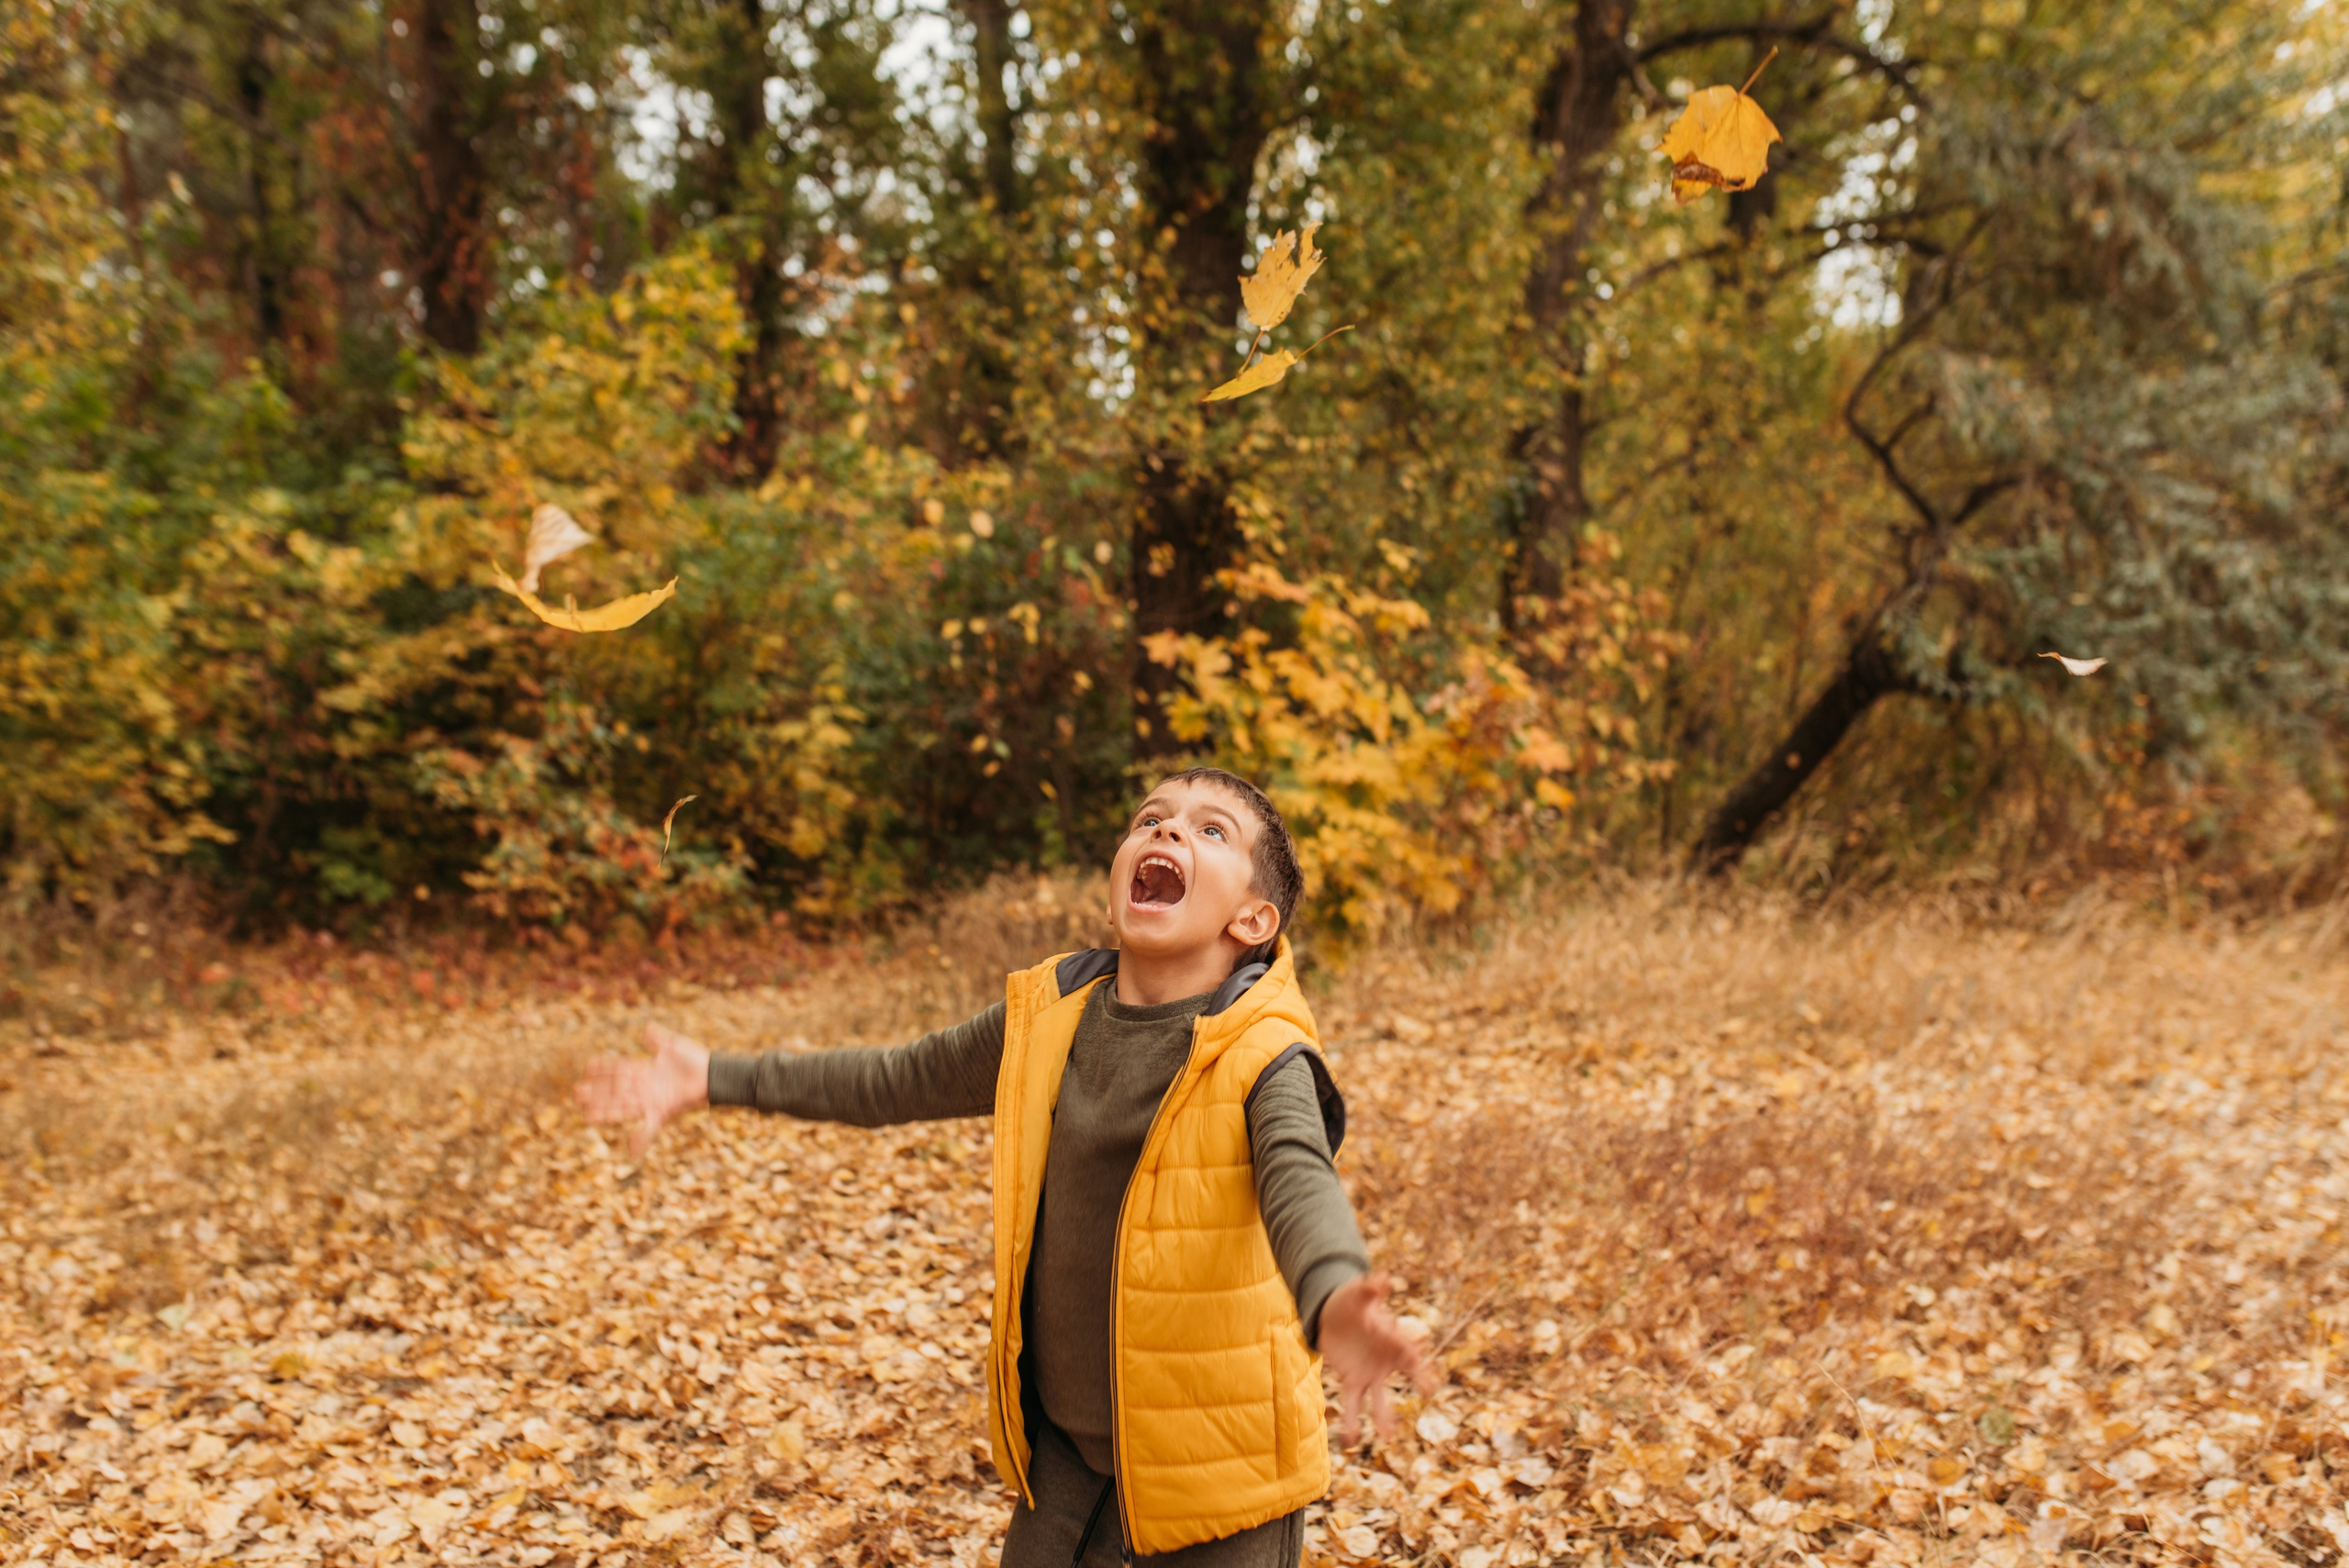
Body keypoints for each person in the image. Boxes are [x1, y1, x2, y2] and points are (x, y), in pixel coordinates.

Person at [576, 766, 1433, 1566]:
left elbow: (1299, 1179)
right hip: (1064, 1466)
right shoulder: (1047, 1018)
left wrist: (1332, 1294)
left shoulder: (1265, 1056)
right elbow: (894, 1077)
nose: (1166, 832)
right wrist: (713, 1076)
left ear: (1252, 920)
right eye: (1151, 820)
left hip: (1222, 1483)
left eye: (1210, 832)